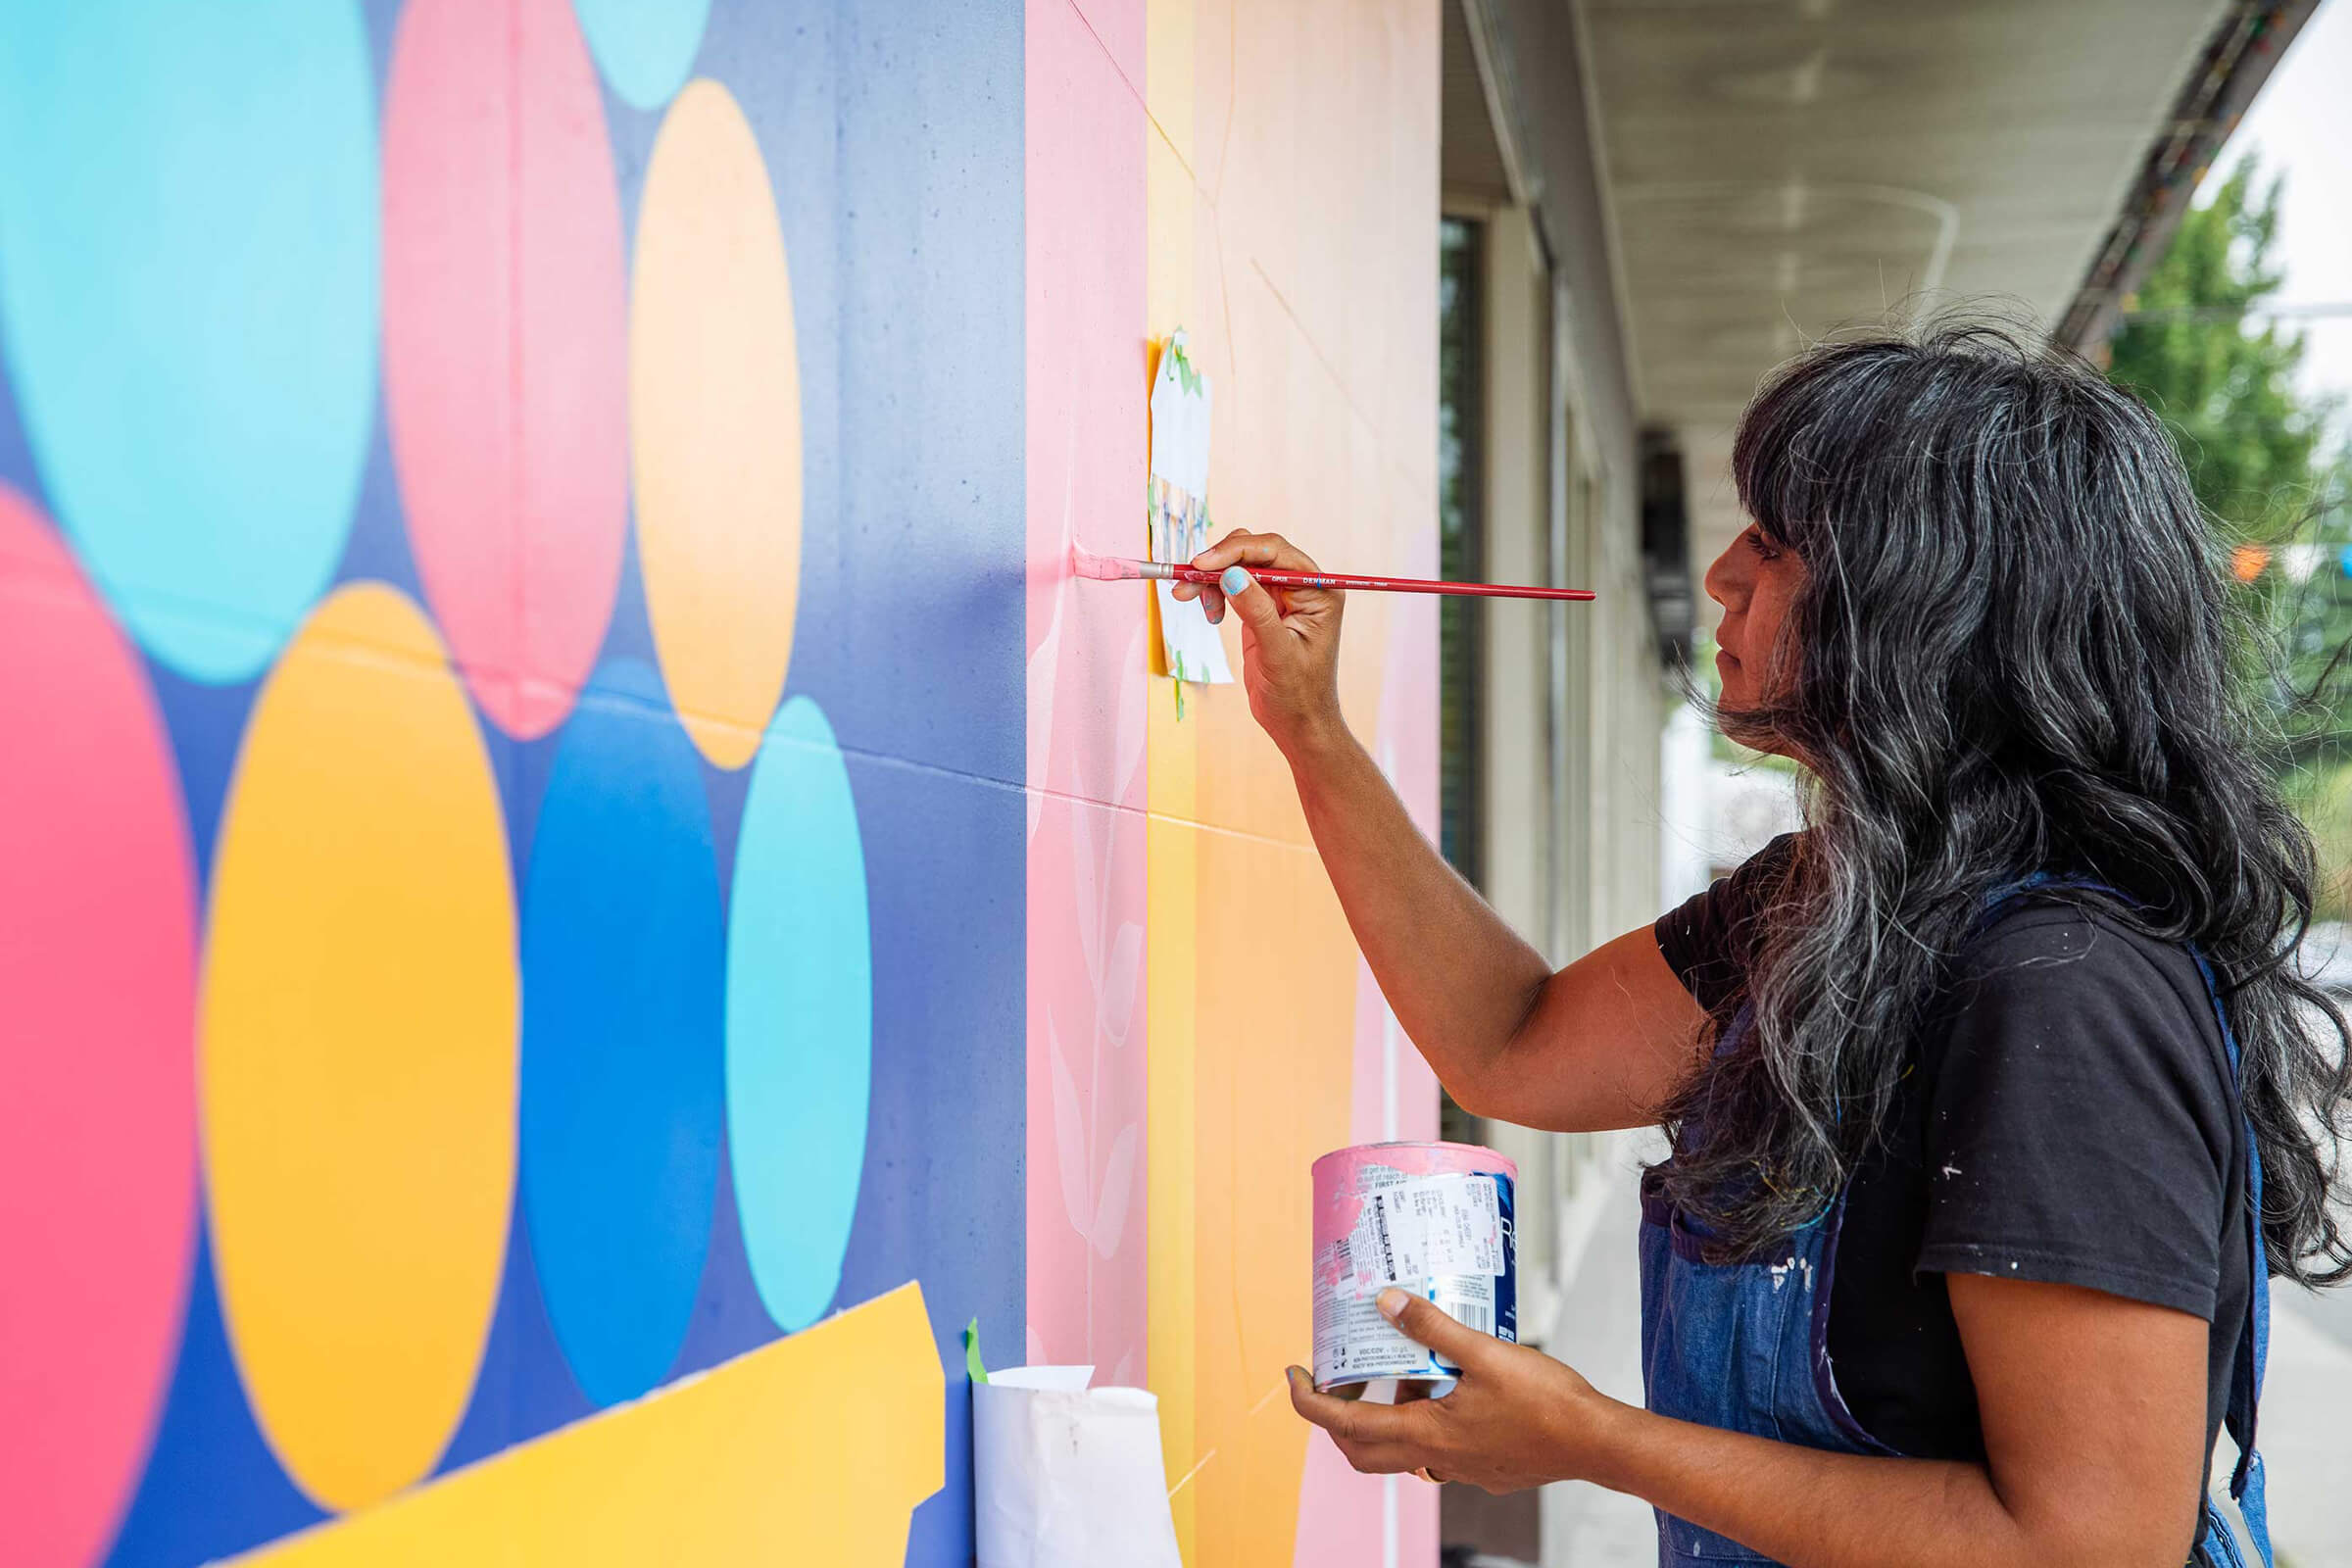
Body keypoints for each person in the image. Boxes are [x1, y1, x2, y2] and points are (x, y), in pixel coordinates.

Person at [1174, 321, 2352, 1567]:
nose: (1725, 574)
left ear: (1923, 611)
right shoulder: (1829, 900)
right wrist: (1312, 732)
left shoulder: (2066, 992)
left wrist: (1589, 1441)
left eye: (1776, 544)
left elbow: (2087, 1546)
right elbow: (1511, 1044)